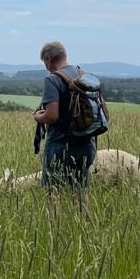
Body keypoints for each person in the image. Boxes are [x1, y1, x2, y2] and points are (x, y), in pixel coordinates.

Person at [31, 41, 95, 213]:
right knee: (80, 192)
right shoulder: (82, 74)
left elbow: (52, 115)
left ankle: (56, 231)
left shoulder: (52, 79)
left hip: (60, 145)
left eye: (45, 62)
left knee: (53, 193)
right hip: (86, 144)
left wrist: (38, 116)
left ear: (48, 59)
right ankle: (84, 229)